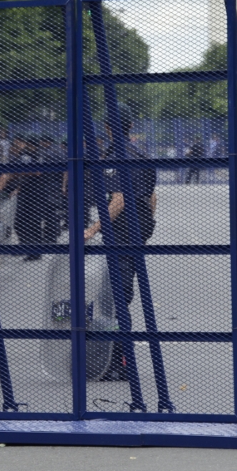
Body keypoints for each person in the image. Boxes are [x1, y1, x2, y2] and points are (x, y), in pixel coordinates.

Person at [84, 104, 157, 382]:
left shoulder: (116, 156)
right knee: (117, 297)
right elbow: (152, 197)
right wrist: (144, 229)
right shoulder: (141, 154)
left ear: (106, 127)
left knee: (113, 299)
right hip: (135, 234)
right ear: (130, 125)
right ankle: (115, 360)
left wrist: (92, 230)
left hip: (121, 235)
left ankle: (119, 363)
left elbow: (119, 200)